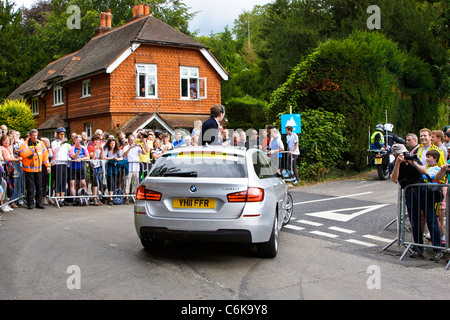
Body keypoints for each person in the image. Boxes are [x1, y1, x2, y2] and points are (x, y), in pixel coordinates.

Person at [390, 144, 442, 261]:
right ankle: (418, 249)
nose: (404, 156)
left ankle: (437, 250)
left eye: (404, 153)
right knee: (415, 222)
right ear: (395, 155)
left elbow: (425, 171)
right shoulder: (393, 164)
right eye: (400, 154)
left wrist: (414, 163)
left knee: (431, 220)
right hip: (410, 193)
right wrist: (398, 163)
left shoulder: (413, 158)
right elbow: (394, 179)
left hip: (423, 191)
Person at [19, 129, 51, 209]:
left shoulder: (41, 143)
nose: (34, 137)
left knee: (39, 186)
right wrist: (33, 149)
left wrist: (47, 166)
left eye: (36, 135)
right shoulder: (24, 144)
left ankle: (39, 203)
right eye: (33, 135)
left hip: (38, 169)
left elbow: (45, 155)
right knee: (30, 187)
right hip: (29, 169)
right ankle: (30, 204)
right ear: (30, 135)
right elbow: (23, 154)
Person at [122, 134, 144, 204]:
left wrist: (142, 147)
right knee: (127, 182)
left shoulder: (137, 147)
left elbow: (144, 152)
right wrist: (130, 148)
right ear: (128, 141)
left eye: (133, 140)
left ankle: (134, 196)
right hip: (129, 167)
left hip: (136, 167)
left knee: (135, 182)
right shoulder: (126, 147)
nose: (132, 141)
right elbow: (124, 155)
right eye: (131, 140)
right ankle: (127, 196)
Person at [0, 135, 21, 208]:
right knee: (5, 185)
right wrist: (17, 159)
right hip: (6, 169)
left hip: (11, 169)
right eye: (5, 140)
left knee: (10, 186)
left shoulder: (9, 148)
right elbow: (7, 158)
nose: (7, 142)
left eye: (8, 140)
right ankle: (3, 204)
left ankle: (6, 203)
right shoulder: (2, 148)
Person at [51, 127, 70, 207]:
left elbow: (67, 152)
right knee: (58, 181)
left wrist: (68, 158)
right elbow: (55, 150)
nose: (62, 136)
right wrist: (61, 143)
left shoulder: (66, 144)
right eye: (61, 134)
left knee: (63, 181)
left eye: (63, 134)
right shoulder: (55, 143)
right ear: (58, 135)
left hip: (64, 163)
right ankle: (57, 198)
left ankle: (62, 198)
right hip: (57, 163)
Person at [69, 135, 90, 203]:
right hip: (72, 167)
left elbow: (88, 157)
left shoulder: (84, 148)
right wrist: (79, 151)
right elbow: (74, 157)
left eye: (80, 140)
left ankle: (86, 197)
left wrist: (81, 158)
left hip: (80, 167)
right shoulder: (72, 148)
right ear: (74, 141)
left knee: (83, 183)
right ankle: (74, 198)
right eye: (77, 140)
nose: (79, 142)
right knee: (72, 184)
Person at [104, 138, 123, 204]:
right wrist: (112, 158)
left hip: (115, 166)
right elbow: (104, 157)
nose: (112, 145)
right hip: (109, 166)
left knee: (114, 181)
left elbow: (121, 157)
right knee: (110, 181)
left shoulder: (117, 150)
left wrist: (118, 159)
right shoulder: (107, 149)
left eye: (114, 143)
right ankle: (110, 197)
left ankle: (113, 196)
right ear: (109, 144)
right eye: (111, 143)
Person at [87, 134, 105, 206]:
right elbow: (93, 157)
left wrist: (102, 149)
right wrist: (95, 149)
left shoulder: (100, 148)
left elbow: (102, 157)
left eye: (98, 140)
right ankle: (94, 198)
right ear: (93, 141)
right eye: (96, 140)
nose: (97, 142)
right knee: (95, 182)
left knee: (99, 182)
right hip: (93, 167)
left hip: (99, 166)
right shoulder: (90, 147)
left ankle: (98, 197)